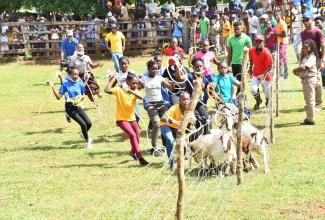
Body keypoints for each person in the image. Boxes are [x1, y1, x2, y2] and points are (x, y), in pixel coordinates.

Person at [104, 73, 150, 166]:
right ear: (127, 82)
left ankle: (132, 153)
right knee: (132, 135)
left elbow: (141, 97)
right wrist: (114, 78)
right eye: (133, 83)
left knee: (137, 138)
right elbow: (107, 90)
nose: (135, 85)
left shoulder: (135, 91)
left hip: (132, 119)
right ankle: (140, 158)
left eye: (136, 83)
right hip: (121, 120)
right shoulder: (119, 91)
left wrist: (130, 90)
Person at [47, 68, 93, 149]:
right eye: (74, 74)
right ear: (70, 75)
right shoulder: (65, 85)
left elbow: (82, 92)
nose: (76, 76)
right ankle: (87, 142)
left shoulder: (79, 83)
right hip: (70, 108)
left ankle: (83, 134)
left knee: (89, 123)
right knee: (83, 124)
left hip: (77, 106)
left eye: (77, 75)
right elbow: (58, 97)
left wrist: (82, 97)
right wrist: (53, 86)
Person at [139, 60, 174, 157]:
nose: (155, 71)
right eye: (152, 69)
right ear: (148, 69)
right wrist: (139, 86)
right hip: (150, 104)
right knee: (156, 124)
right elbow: (136, 87)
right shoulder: (144, 79)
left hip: (161, 104)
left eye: (156, 69)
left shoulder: (160, 78)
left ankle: (166, 144)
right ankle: (154, 147)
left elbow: (171, 88)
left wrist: (171, 83)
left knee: (166, 122)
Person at [160, 92, 195, 169]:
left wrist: (193, 120)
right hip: (165, 125)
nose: (186, 101)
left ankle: (182, 158)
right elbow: (162, 118)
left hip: (176, 128)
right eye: (183, 99)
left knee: (183, 144)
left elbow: (194, 122)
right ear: (179, 100)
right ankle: (172, 163)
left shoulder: (190, 110)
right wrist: (168, 119)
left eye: (187, 99)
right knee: (170, 140)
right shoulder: (174, 108)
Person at [300, 11, 325, 111]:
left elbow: (323, 47)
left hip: (317, 58)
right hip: (306, 60)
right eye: (303, 20)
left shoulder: (318, 32)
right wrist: (301, 61)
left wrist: (323, 61)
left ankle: (318, 104)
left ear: (312, 20)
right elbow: (303, 48)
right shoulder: (302, 33)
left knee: (317, 82)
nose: (305, 22)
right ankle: (309, 104)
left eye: (307, 20)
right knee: (305, 81)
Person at [293, 39, 318, 125]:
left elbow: (304, 68)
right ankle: (309, 117)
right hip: (306, 80)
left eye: (306, 48)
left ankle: (311, 119)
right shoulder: (306, 56)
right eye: (303, 48)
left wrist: (294, 70)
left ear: (311, 48)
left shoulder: (312, 57)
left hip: (309, 80)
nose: (304, 50)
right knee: (308, 99)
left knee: (310, 100)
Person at [227, 21, 252, 95]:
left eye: (238, 29)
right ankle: (238, 96)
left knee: (241, 81)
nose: (237, 30)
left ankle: (241, 97)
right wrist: (228, 65)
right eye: (235, 29)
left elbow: (251, 52)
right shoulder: (230, 39)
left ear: (242, 28)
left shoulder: (246, 38)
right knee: (234, 81)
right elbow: (230, 53)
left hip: (242, 63)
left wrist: (251, 65)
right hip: (234, 63)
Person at [249, 35, 273, 110]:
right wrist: (250, 68)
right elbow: (251, 59)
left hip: (266, 74)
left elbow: (270, 65)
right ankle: (258, 101)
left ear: (263, 42)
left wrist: (263, 74)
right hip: (256, 73)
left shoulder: (266, 52)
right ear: (255, 41)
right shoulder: (252, 50)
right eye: (257, 41)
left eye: (260, 41)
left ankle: (268, 101)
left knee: (268, 93)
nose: (259, 43)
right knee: (253, 89)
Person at [194, 39, 219, 104]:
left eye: (207, 45)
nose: (205, 47)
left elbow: (216, 62)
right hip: (202, 76)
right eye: (204, 45)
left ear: (209, 46)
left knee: (213, 91)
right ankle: (204, 104)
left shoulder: (211, 54)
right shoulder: (198, 54)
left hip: (210, 75)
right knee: (206, 92)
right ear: (201, 46)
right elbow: (193, 63)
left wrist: (222, 64)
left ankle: (218, 104)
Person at [271, 11, 288, 79]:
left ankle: (284, 74)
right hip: (279, 42)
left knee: (283, 58)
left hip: (283, 43)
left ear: (280, 15)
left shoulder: (282, 23)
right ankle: (283, 74)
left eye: (278, 15)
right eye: (275, 16)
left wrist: (275, 34)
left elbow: (284, 34)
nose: (276, 17)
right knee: (281, 58)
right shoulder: (277, 23)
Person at [314, 16, 325, 88]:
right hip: (321, 52)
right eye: (315, 23)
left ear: (323, 22)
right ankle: (324, 84)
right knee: (322, 69)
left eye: (318, 23)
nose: (317, 25)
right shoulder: (317, 31)